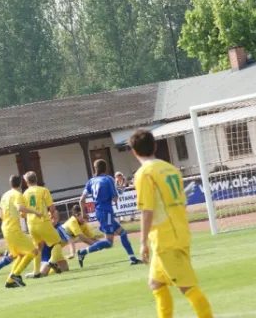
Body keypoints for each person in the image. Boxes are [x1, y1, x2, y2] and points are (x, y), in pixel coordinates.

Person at [130, 129, 212, 318]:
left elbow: (147, 210)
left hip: (166, 239)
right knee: (156, 283)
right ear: (155, 146)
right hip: (178, 233)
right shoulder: (171, 169)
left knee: (187, 287)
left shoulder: (144, 173)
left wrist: (142, 242)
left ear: (133, 151)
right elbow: (182, 204)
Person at [77, 159, 142, 267]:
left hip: (99, 211)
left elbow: (81, 199)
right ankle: (82, 252)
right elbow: (115, 199)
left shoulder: (91, 181)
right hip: (106, 212)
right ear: (105, 168)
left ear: (95, 169)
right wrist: (118, 192)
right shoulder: (108, 179)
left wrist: (84, 213)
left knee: (123, 233)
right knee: (108, 242)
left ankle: (133, 258)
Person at [0, 174, 43, 288]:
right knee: (34, 252)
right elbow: (20, 208)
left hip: (5, 228)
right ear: (21, 184)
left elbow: (0, 214)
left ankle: (10, 281)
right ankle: (16, 275)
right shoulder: (17, 194)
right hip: (13, 229)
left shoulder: (5, 195)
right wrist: (36, 212)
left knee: (21, 255)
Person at [22, 171, 64, 276]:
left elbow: (23, 214)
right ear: (36, 179)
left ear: (26, 182)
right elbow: (52, 207)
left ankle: (36, 272)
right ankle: (52, 261)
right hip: (43, 222)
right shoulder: (43, 190)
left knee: (38, 247)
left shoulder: (25, 193)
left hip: (31, 224)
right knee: (57, 242)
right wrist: (51, 213)